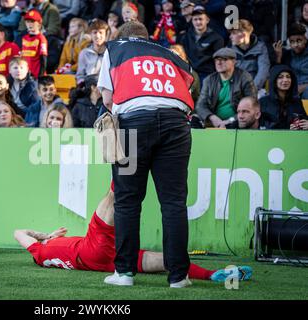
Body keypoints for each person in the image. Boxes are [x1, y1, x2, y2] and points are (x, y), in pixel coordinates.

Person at [97, 21, 195, 288]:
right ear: (146, 38)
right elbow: (190, 85)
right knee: (174, 202)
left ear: (122, 37)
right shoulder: (169, 55)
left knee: (127, 200)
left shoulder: (115, 49)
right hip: (177, 125)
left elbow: (107, 99)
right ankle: (178, 277)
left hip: (133, 126)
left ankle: (125, 273)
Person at [14, 181, 253, 283]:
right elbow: (19, 232)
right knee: (113, 197)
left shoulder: (43, 257)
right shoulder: (38, 250)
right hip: (92, 250)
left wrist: (48, 237)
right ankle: (127, 156)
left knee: (169, 262)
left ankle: (214, 275)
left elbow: (19, 234)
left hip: (107, 262)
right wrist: (44, 236)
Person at [195, 48, 257, 128]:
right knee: (194, 119)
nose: (219, 62)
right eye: (217, 60)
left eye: (224, 59)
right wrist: (212, 118)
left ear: (234, 62)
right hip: (214, 123)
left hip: (237, 122)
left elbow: (252, 104)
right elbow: (200, 105)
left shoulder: (244, 78)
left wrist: (230, 120)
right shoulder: (209, 80)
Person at [179, 5, 224, 83]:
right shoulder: (185, 37)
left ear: (207, 20)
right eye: (195, 19)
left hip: (208, 74)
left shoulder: (217, 38)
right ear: (192, 21)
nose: (198, 22)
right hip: (189, 73)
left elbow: (219, 59)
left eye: (200, 19)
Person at [259, 65, 308, 130]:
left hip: (293, 138)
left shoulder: (297, 102)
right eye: (280, 77)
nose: (285, 80)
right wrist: (288, 128)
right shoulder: (263, 102)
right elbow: (262, 126)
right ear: (274, 80)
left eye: (288, 77)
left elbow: (303, 120)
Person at [228, 19, 270, 94]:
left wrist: (251, 90)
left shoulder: (261, 47)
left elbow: (263, 71)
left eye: (233, 33)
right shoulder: (229, 49)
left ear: (243, 34)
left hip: (256, 89)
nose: (230, 36)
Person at [273, 23, 308, 99]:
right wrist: (279, 56)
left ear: (305, 39)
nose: (295, 45)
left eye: (299, 41)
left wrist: (303, 87)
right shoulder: (287, 55)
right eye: (292, 41)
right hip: (291, 89)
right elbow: (277, 74)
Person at [76, 18, 108, 84]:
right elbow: (80, 75)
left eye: (101, 32)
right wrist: (82, 83)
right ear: (91, 34)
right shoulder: (84, 53)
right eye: (95, 32)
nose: (97, 36)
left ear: (106, 35)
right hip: (88, 86)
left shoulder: (111, 53)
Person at [21, 9, 48, 79]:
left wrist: (41, 76)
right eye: (27, 21)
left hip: (37, 76)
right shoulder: (24, 38)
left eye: (32, 21)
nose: (29, 24)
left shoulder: (41, 38)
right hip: (25, 76)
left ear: (39, 23)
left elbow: (43, 58)